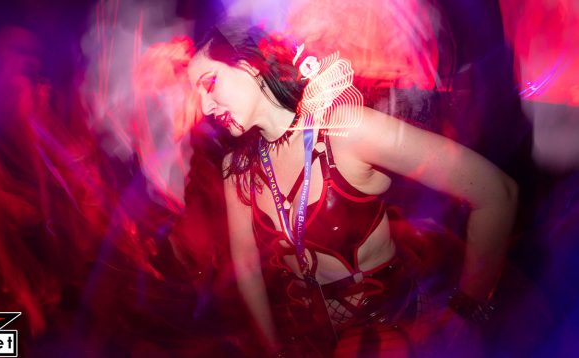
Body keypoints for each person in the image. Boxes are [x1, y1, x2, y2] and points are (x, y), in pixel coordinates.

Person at [186, 22, 518, 356]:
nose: (205, 107)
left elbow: (496, 193)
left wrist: (465, 314)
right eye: (196, 95)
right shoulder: (238, 168)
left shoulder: (345, 129)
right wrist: (273, 350)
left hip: (392, 331)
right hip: (307, 344)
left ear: (249, 64)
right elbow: (247, 268)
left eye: (209, 84)